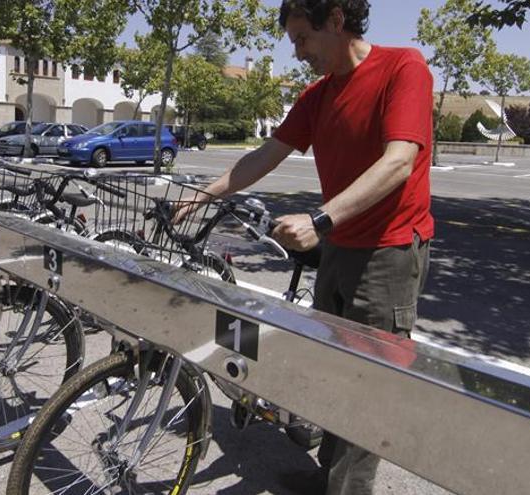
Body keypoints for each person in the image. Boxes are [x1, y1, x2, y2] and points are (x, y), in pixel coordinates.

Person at [175, 0, 433, 493]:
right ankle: (329, 479)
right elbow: (266, 155)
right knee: (334, 372)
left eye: (302, 39)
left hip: (388, 251)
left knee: (369, 386)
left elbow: (399, 161)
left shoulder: (404, 67)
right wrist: (202, 193)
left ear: (336, 20)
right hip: (340, 246)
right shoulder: (319, 95)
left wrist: (321, 219)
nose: (297, 52)